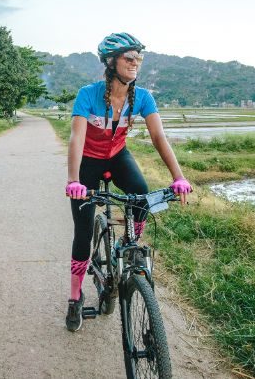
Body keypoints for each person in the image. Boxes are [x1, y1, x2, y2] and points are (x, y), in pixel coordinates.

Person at [64, 32, 192, 332]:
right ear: (111, 62)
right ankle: (74, 297)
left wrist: (179, 177)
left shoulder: (144, 97)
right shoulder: (88, 94)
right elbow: (76, 138)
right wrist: (73, 180)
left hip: (118, 156)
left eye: (139, 59)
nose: (136, 64)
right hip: (88, 161)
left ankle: (129, 241)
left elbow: (159, 137)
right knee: (82, 233)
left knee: (142, 195)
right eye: (129, 58)